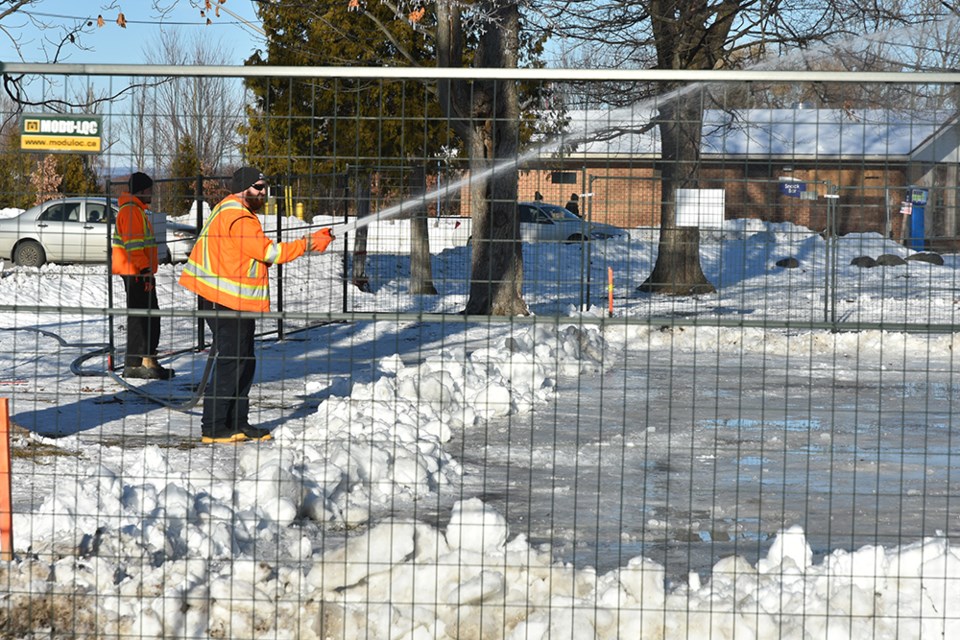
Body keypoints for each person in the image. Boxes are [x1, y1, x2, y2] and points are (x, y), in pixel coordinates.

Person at [179, 167, 334, 444]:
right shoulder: (239, 217)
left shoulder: (229, 208)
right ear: (243, 189)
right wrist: (308, 244)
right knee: (232, 362)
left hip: (228, 298)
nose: (264, 193)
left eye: (265, 187)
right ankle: (214, 428)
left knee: (243, 361)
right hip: (224, 300)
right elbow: (269, 252)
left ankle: (238, 422)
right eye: (258, 188)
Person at [112, 171, 173, 380]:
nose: (152, 195)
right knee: (143, 316)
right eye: (149, 190)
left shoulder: (134, 210)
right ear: (142, 190)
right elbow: (134, 245)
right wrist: (144, 270)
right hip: (136, 270)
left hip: (136, 269)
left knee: (145, 315)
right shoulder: (130, 211)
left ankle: (141, 360)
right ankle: (139, 361)